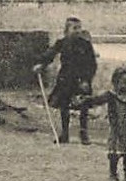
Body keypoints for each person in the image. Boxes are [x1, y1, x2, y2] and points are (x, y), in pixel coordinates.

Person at [79, 67, 126, 181]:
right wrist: (85, 100)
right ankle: (113, 175)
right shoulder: (111, 95)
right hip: (117, 130)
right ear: (116, 82)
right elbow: (97, 100)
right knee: (115, 154)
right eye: (123, 82)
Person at [33, 16, 98, 144]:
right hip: (66, 78)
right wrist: (41, 64)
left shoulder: (85, 45)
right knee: (64, 106)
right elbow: (50, 55)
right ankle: (65, 133)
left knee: (83, 105)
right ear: (67, 30)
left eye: (79, 28)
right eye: (74, 28)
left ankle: (84, 133)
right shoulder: (62, 43)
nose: (78, 31)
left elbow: (92, 64)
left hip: (81, 79)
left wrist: (86, 80)